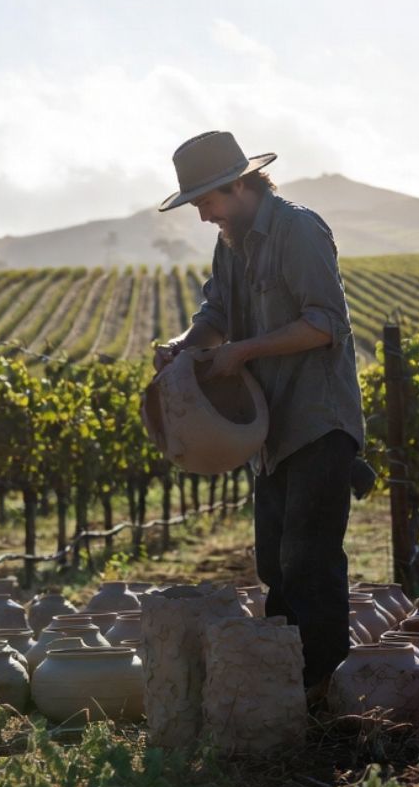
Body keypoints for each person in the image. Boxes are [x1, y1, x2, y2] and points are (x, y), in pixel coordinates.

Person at [153, 130, 364, 693]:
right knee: (274, 564)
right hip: (267, 431)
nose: (202, 216)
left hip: (317, 421)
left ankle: (324, 693)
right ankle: (288, 687)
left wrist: (242, 351)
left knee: (309, 563)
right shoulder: (231, 242)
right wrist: (185, 345)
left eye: (206, 202)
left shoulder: (299, 229)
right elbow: (216, 312)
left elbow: (325, 324)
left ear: (240, 185)